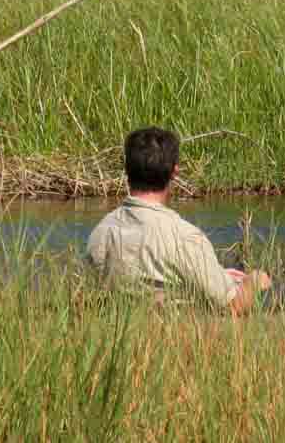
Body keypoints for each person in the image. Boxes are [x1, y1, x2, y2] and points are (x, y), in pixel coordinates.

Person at [85, 126, 272, 314]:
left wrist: (221, 275)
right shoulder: (185, 238)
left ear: (127, 170)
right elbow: (233, 307)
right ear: (174, 172)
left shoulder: (101, 232)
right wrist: (254, 281)